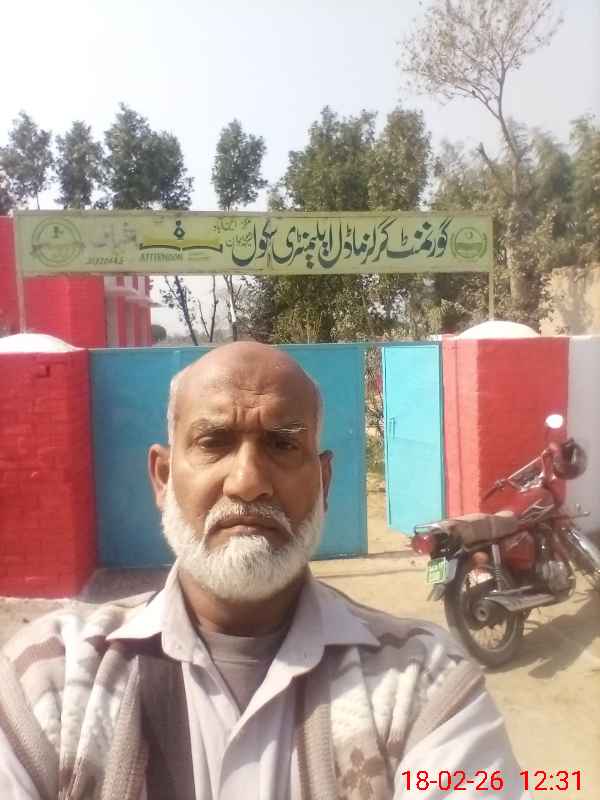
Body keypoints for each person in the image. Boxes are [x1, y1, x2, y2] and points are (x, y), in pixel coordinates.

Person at [0, 342, 530, 800]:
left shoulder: (424, 681)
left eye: (282, 444)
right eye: (214, 442)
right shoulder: (49, 680)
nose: (248, 481)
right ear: (163, 478)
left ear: (323, 481)